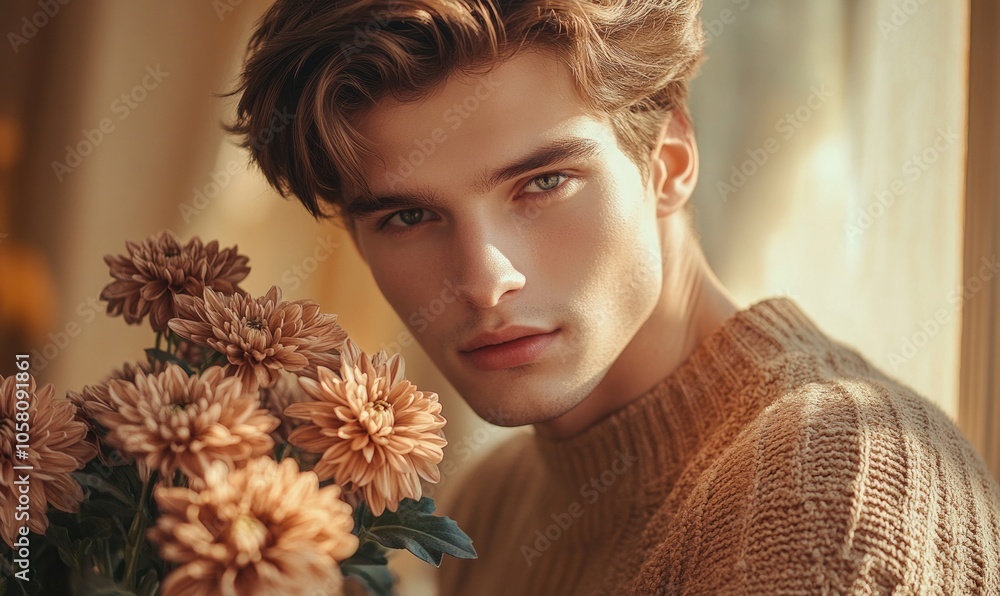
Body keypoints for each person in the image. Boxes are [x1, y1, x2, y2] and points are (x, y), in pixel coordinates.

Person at [227, 1, 1000, 593]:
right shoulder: (490, 506)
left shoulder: (834, 479)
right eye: (409, 216)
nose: (484, 279)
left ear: (667, 161)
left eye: (543, 183)